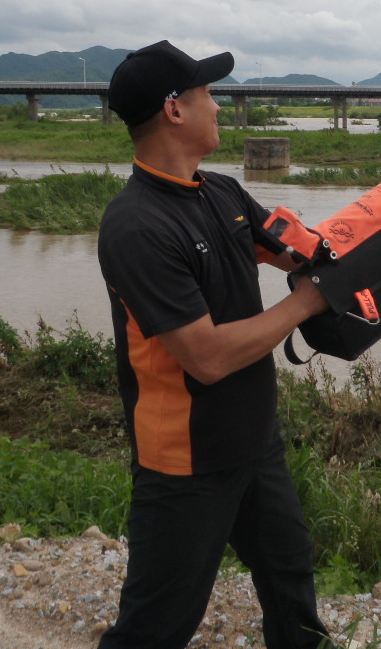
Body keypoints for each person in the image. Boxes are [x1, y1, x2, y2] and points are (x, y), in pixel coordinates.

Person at [95, 40, 331, 649]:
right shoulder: (136, 225)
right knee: (157, 624)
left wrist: (376, 242)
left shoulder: (222, 192)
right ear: (174, 109)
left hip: (254, 440)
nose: (219, 105)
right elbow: (205, 357)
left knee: (290, 572)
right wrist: (304, 304)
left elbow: (293, 251)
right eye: (208, 93)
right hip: (185, 459)